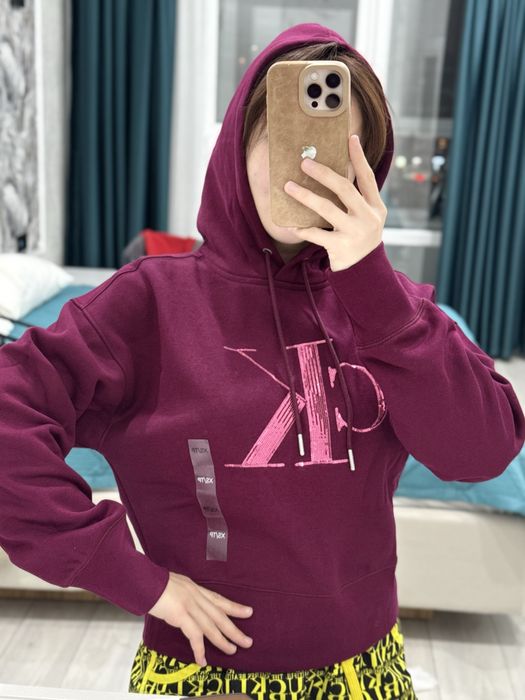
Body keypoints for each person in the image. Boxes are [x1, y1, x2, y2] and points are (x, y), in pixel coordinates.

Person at [0, 21, 523, 700]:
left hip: (365, 665)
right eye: (281, 140)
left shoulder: (398, 314)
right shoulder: (147, 305)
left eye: (332, 149)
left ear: (369, 169)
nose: (304, 167)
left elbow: (483, 452)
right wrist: (131, 575)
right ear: (235, 145)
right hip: (205, 670)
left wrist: (372, 286)